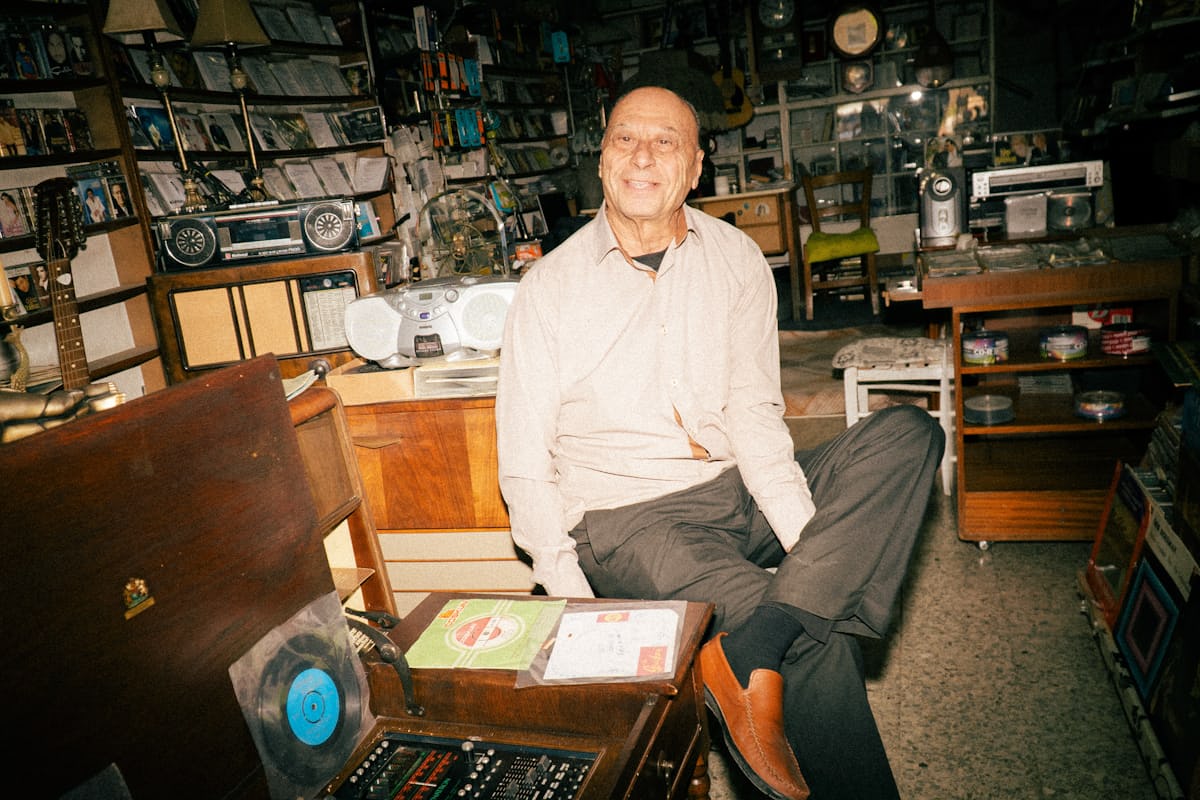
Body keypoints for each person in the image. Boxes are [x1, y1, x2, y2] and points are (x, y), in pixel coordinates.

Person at [495, 86, 944, 800]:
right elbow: (522, 461)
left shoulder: (736, 256)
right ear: (602, 160)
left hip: (739, 489)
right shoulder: (547, 288)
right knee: (819, 643)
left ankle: (755, 644)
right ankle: (783, 643)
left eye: (665, 141)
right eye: (624, 139)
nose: (643, 156)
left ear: (696, 166)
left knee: (907, 434)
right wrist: (575, 602)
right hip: (632, 519)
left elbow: (757, 416)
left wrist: (811, 555)